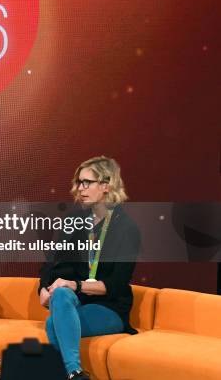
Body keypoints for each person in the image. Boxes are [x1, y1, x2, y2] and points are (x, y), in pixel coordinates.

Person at [39, 156, 141, 380]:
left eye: (87, 182)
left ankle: (73, 372)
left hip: (110, 307)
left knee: (52, 324)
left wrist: (75, 284)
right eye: (78, 182)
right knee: (61, 295)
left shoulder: (127, 229)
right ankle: (75, 374)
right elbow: (52, 263)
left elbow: (116, 284)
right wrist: (43, 290)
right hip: (76, 302)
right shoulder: (75, 221)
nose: (80, 188)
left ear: (106, 186)